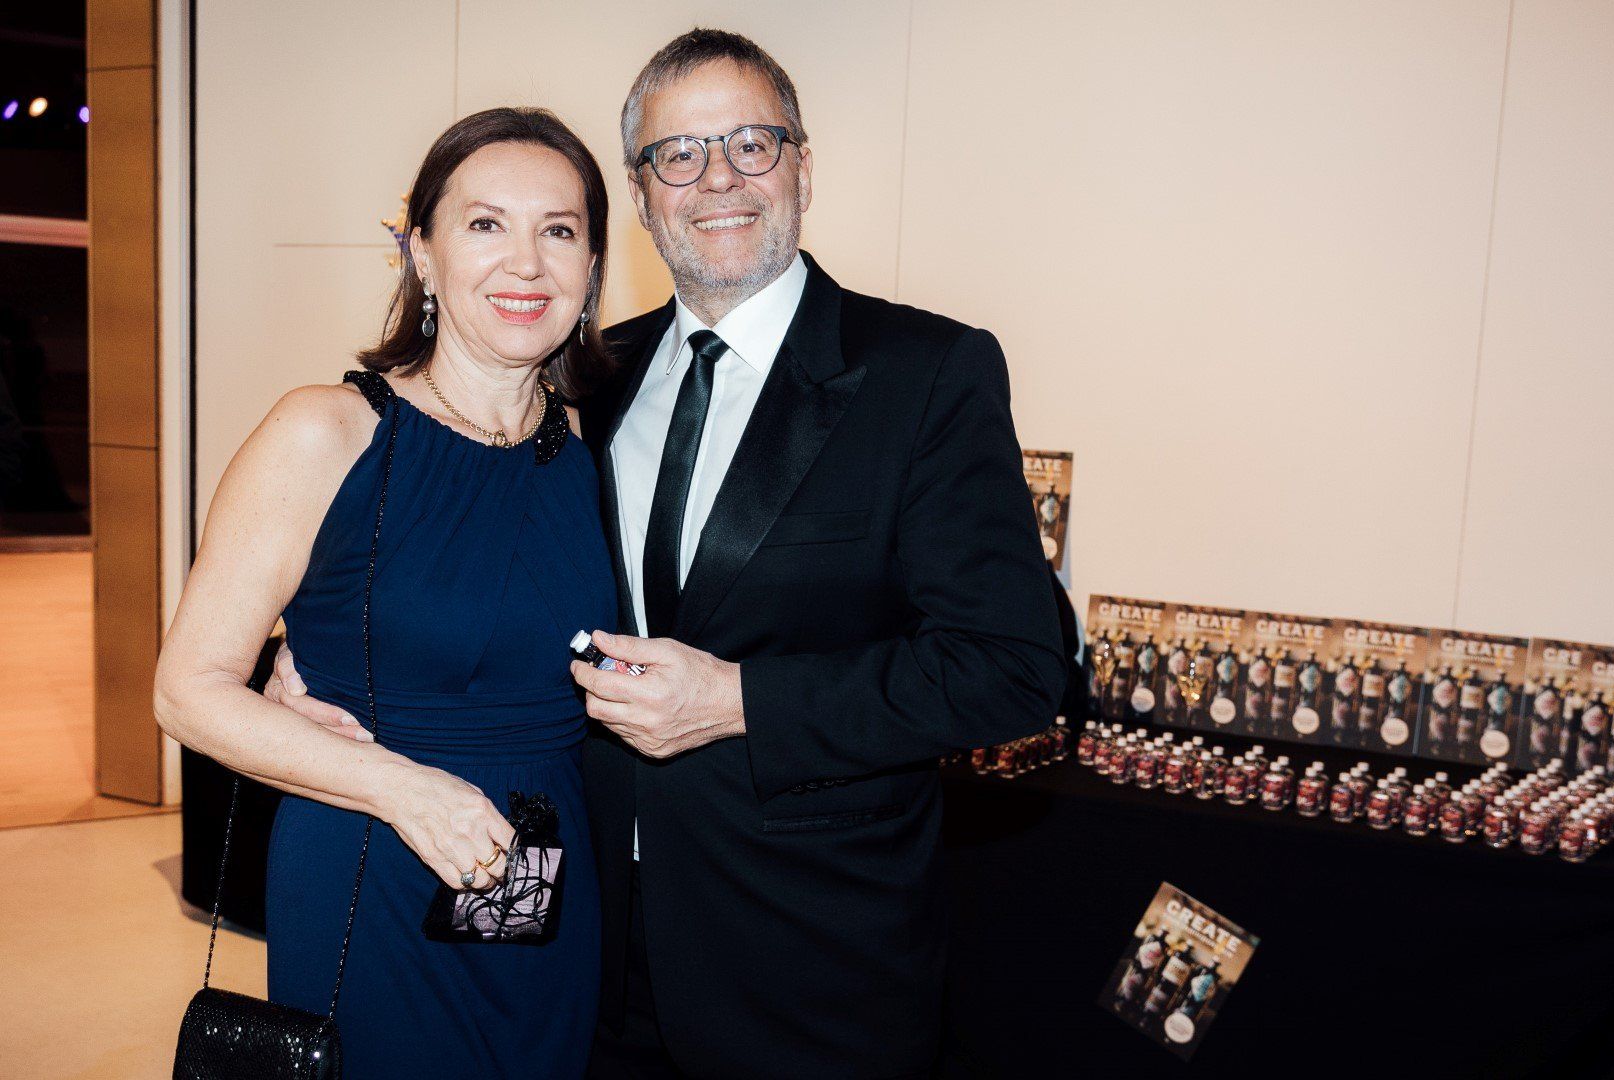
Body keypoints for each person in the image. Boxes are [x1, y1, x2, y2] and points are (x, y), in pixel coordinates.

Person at [273, 29, 1065, 1078]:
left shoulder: (925, 374)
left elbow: (1014, 667)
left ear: (803, 167)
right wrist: (317, 660)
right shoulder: (582, 383)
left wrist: (741, 701)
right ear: (643, 199)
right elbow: (469, 567)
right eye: (678, 154)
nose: (719, 178)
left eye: (752, 143)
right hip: (584, 939)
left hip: (811, 959)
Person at [155, 107, 616, 1078]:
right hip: (373, 859)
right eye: (485, 224)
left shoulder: (595, 451)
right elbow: (187, 691)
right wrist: (406, 790)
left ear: (591, 266)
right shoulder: (325, 433)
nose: (526, 262)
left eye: (558, 230)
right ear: (422, 254)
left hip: (543, 873)